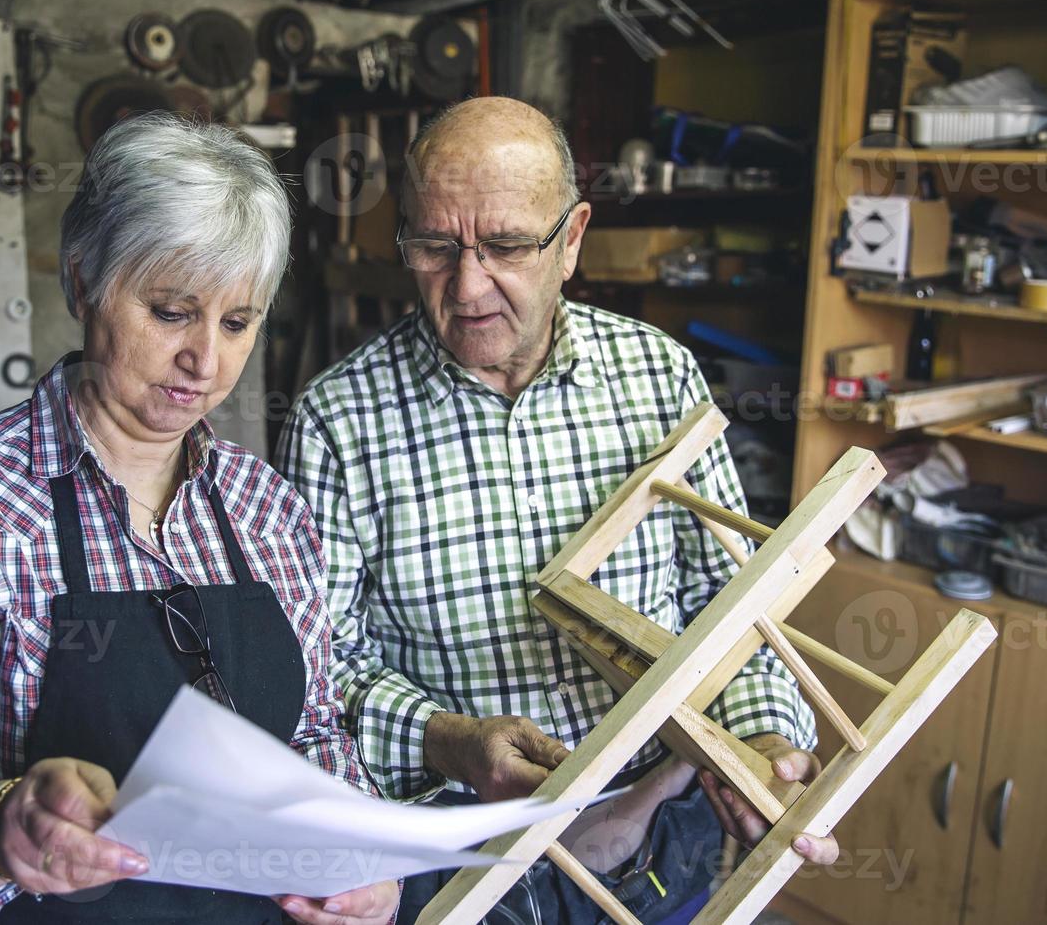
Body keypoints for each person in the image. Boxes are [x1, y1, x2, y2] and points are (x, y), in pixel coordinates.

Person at [0, 114, 399, 925]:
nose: (206, 361)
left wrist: (363, 860)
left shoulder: (269, 511)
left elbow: (314, 739)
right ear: (82, 281)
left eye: (236, 321)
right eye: (170, 311)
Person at [277, 97, 838, 924]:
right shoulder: (336, 420)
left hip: (653, 836)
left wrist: (757, 743)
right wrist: (448, 738)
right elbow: (317, 675)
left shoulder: (660, 379)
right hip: (455, 857)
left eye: (504, 245)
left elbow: (735, 609)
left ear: (571, 239)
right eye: (433, 246)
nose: (466, 286)